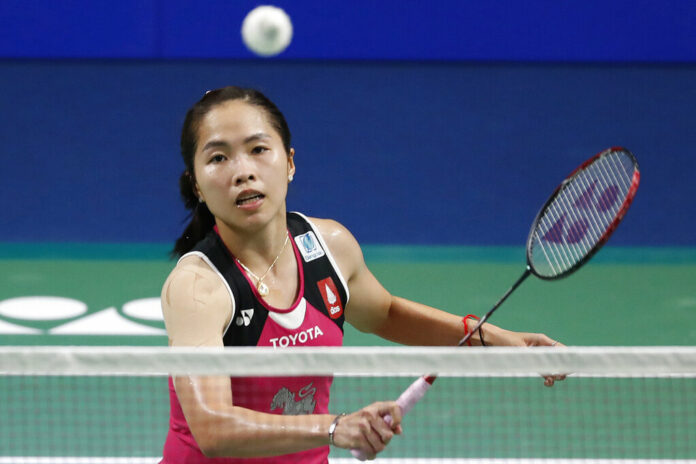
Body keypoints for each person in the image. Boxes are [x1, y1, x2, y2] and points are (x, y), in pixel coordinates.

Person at [160, 86, 565, 463]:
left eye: (258, 149)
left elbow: (385, 314)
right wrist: (336, 427)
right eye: (218, 158)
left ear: (290, 163)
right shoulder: (199, 286)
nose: (242, 171)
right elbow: (211, 427)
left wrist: (495, 339)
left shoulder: (329, 246)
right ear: (196, 185)